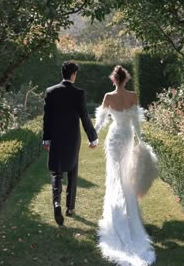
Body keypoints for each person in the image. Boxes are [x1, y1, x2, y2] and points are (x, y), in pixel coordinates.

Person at [94, 65, 158, 266]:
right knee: (125, 175)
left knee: (115, 175)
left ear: (114, 79)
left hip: (115, 137)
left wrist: (93, 136)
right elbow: (137, 123)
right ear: (126, 79)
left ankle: (116, 214)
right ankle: (129, 214)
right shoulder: (133, 95)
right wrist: (141, 140)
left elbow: (101, 120)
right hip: (128, 136)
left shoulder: (108, 96)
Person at [42, 61, 98, 226]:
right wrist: (92, 137)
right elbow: (85, 118)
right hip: (73, 139)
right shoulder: (78, 93)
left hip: (56, 138)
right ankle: (70, 208)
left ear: (63, 73)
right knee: (72, 171)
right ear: (73, 74)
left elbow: (47, 119)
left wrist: (46, 139)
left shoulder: (50, 92)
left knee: (56, 173)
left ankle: (56, 203)